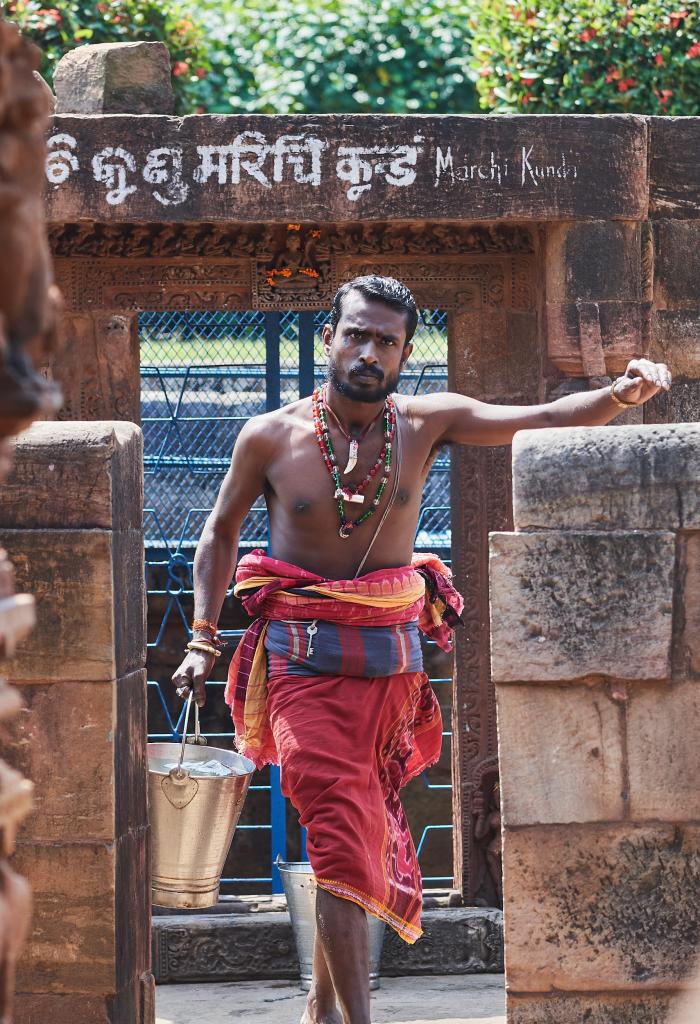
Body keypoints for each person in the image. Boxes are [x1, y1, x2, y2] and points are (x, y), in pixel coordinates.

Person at [171, 275, 672, 1024]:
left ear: (406, 354)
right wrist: (203, 640)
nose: (369, 352)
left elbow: (540, 415)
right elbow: (219, 532)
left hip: (391, 673)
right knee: (339, 839)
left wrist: (622, 396)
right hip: (303, 666)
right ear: (330, 340)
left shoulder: (425, 422)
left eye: (387, 341)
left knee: (356, 840)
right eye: (357, 335)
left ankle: (319, 1005)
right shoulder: (268, 436)